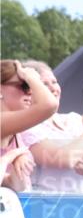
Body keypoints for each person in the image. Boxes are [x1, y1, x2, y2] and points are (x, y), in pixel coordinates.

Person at [1, 60, 59, 192]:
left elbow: (17, 187)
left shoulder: (15, 131)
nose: (30, 93)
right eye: (24, 85)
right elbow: (49, 105)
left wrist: (16, 159)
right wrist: (11, 157)